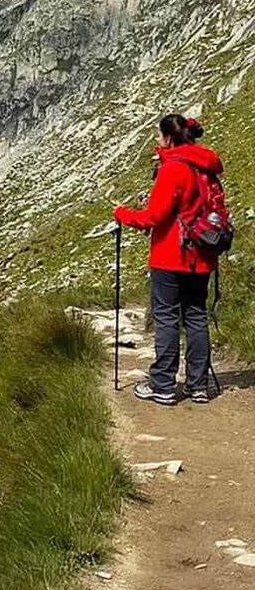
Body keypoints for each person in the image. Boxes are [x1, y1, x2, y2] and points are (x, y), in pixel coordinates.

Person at [113, 114, 223, 405]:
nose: (157, 141)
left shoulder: (173, 168)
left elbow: (155, 216)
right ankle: (197, 385)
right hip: (202, 255)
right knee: (196, 316)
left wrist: (123, 214)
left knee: (167, 318)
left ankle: (162, 384)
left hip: (170, 256)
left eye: (160, 136)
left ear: (170, 138)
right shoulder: (207, 168)